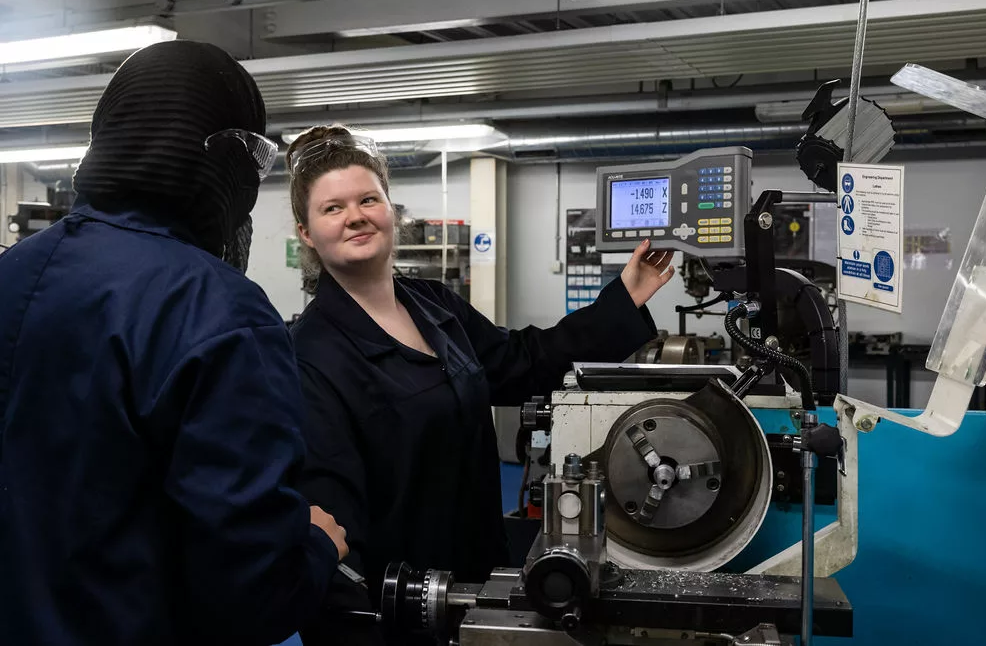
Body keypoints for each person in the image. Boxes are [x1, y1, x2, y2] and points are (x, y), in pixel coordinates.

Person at [0, 41, 348, 646]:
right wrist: (317, 544)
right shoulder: (218, 311)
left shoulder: (12, 272)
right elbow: (251, 590)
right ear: (221, 162)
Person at [285, 125, 675, 643]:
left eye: (367, 199)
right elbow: (333, 525)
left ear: (388, 209)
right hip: (400, 606)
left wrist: (623, 300)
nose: (355, 215)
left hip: (479, 577)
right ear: (307, 233)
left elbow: (521, 361)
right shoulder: (310, 352)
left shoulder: (432, 303)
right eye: (332, 208)